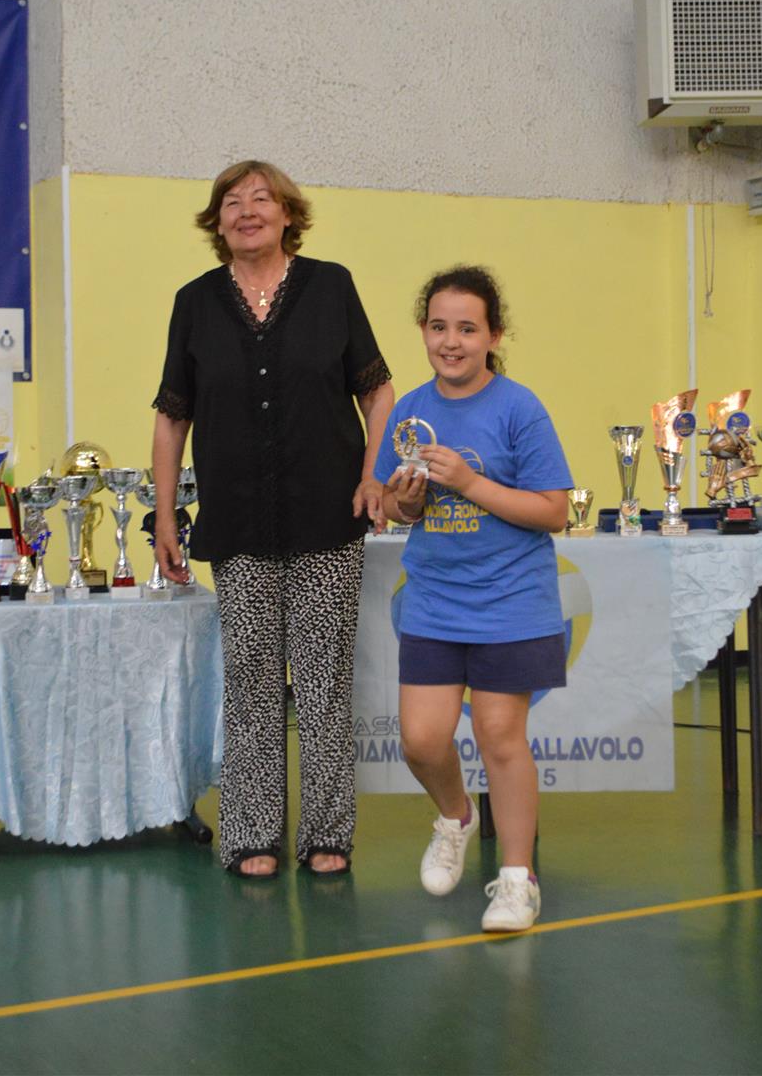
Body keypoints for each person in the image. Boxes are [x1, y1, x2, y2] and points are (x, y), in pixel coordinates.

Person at [151, 160, 393, 878]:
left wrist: (373, 472)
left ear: (288, 214)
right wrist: (165, 516)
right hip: (238, 522)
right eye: (232, 201)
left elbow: (377, 393)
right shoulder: (194, 302)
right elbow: (172, 416)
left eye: (262, 198)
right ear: (217, 221)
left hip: (328, 516)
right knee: (251, 684)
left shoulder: (331, 286)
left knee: (323, 685)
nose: (247, 210)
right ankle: (250, 835)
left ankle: (328, 835)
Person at [373, 265, 571, 931]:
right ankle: (455, 816)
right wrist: (406, 501)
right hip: (434, 601)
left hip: (511, 600)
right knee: (421, 741)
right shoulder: (408, 412)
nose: (450, 341)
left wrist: (467, 481)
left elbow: (552, 511)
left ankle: (517, 879)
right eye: (438, 327)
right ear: (423, 332)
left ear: (493, 336)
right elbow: (395, 507)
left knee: (499, 737)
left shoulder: (519, 408)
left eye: (466, 328)